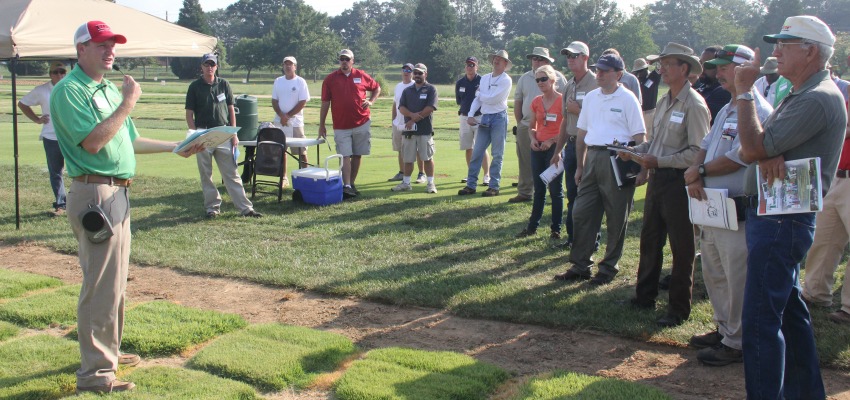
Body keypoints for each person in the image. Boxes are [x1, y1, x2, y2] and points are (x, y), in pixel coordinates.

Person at [50, 20, 202, 394]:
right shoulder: (69, 91)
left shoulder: (102, 89)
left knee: (115, 284)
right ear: (81, 49)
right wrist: (128, 103)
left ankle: (108, 352)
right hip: (94, 194)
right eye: (101, 44)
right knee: (100, 286)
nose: (110, 50)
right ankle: (96, 375)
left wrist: (176, 146)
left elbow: (129, 140)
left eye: (112, 44)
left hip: (116, 193)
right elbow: (94, 143)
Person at [734, 16, 846, 398]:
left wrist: (745, 93)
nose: (776, 51)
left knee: (761, 320)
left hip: (782, 220)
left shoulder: (817, 97)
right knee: (790, 315)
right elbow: (761, 148)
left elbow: (752, 148)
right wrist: (765, 150)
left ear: (811, 51)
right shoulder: (803, 92)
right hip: (780, 216)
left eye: (786, 43)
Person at [683, 44, 773, 367]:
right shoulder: (725, 108)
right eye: (717, 68)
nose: (718, 73)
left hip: (738, 210)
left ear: (745, 70)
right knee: (714, 272)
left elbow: (742, 156)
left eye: (725, 68)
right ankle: (725, 330)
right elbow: (705, 146)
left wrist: (701, 171)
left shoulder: (756, 109)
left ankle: (737, 341)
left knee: (737, 277)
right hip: (713, 207)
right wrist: (695, 174)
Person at [621, 42, 710, 327]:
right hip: (658, 179)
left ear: (683, 69)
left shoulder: (694, 104)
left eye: (667, 64)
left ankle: (678, 309)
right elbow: (656, 143)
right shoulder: (663, 101)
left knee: (682, 247)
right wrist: (634, 151)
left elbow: (698, 151)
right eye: (661, 64)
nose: (661, 69)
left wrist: (659, 162)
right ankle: (644, 296)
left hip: (679, 182)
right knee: (650, 240)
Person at [552, 54, 645, 286]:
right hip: (593, 156)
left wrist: (642, 167)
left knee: (616, 216)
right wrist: (581, 165)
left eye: (605, 71)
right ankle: (580, 264)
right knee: (581, 212)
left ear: (619, 74)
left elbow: (640, 137)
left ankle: (608, 267)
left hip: (619, 158)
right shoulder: (592, 97)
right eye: (598, 70)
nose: (600, 74)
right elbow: (582, 133)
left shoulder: (628, 98)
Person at [185, 54, 261, 219]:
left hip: (223, 132)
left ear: (217, 67)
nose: (209, 67)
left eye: (212, 64)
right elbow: (189, 114)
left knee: (231, 173)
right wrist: (194, 135)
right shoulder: (194, 86)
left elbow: (231, 109)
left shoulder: (224, 84)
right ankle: (212, 208)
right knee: (206, 174)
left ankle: (245, 208)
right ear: (202, 66)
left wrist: (233, 133)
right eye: (207, 64)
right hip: (203, 133)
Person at [802, 100, 850, 325]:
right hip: (836, 175)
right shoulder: (845, 98)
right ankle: (815, 293)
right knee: (824, 238)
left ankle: (848, 307)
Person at [550, 41, 597, 249]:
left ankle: (591, 241)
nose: (570, 58)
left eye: (574, 55)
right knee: (572, 194)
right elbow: (564, 121)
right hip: (570, 145)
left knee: (588, 196)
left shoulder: (596, 84)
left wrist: (580, 111)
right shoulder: (569, 85)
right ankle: (573, 238)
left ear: (585, 58)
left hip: (590, 147)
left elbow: (601, 119)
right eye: (567, 55)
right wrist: (557, 150)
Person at [319, 49, 381, 199]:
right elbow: (325, 102)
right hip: (341, 125)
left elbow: (376, 88)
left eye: (347, 59)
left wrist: (371, 101)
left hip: (362, 122)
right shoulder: (330, 79)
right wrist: (321, 124)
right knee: (345, 155)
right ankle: (346, 185)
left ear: (352, 61)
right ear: (339, 61)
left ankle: (351, 184)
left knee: (357, 154)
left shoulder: (360, 75)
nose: (344, 62)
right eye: (342, 59)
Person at [512, 47, 568, 203]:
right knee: (525, 160)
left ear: (547, 61)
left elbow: (563, 103)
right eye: (533, 58)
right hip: (528, 125)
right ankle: (525, 191)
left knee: (553, 161)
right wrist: (520, 122)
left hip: (554, 129)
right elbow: (518, 101)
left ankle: (553, 193)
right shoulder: (524, 78)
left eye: (539, 58)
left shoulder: (558, 77)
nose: (535, 61)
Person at [515, 65, 564, 239]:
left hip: (554, 149)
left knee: (556, 190)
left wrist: (552, 141)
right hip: (538, 148)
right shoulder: (536, 101)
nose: (540, 83)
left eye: (543, 79)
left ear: (552, 80)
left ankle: (556, 229)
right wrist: (534, 139)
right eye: (538, 80)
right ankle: (532, 227)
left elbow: (566, 129)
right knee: (539, 189)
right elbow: (532, 126)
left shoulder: (562, 100)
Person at [458, 50, 512, 197]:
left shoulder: (506, 80)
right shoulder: (485, 78)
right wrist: (470, 114)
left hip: (499, 117)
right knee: (477, 151)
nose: (497, 61)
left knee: (497, 153)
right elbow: (478, 100)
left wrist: (480, 95)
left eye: (500, 59)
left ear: (505, 64)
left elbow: (493, 99)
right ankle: (471, 185)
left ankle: (494, 186)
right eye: (495, 58)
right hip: (485, 117)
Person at [18, 61, 68, 217]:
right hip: (51, 136)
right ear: (50, 74)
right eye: (55, 72)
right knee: (56, 172)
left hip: (71, 137)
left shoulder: (72, 88)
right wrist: (37, 119)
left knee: (79, 170)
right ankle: (61, 204)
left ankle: (80, 202)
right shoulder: (42, 90)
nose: (59, 75)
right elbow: (22, 103)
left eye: (62, 72)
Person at [393, 63, 438, 193]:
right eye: (416, 73)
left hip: (424, 130)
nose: (417, 75)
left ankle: (430, 184)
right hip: (409, 131)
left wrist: (413, 119)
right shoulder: (408, 90)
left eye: (420, 73)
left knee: (427, 158)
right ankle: (406, 183)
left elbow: (430, 108)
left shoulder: (431, 89)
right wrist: (411, 115)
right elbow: (401, 107)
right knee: (408, 158)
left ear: (425, 74)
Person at [271, 56, 310, 184]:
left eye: (290, 64)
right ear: (283, 66)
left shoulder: (300, 82)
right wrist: (281, 115)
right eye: (286, 64)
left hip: (296, 122)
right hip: (279, 121)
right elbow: (274, 101)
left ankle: (306, 176)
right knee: (281, 150)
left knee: (301, 151)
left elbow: (302, 101)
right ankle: (283, 178)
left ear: (295, 66)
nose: (288, 66)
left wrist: (287, 116)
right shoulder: (278, 81)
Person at [455, 56, 490, 186]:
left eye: (472, 65)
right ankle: (471, 174)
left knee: (481, 147)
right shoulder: (460, 83)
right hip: (464, 117)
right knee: (468, 147)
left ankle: (487, 175)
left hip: (479, 117)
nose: (469, 67)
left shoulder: (482, 81)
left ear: (477, 67)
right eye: (468, 65)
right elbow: (459, 100)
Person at [388, 63, 424, 184]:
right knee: (400, 149)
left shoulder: (415, 85)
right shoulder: (398, 86)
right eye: (404, 69)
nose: (406, 72)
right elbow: (395, 104)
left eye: (409, 70)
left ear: (413, 73)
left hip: (410, 124)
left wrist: (412, 119)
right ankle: (402, 172)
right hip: (398, 123)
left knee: (417, 149)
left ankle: (421, 173)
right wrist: (393, 120)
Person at [694, 46, 732, 124]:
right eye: (701, 63)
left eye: (708, 65)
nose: (702, 69)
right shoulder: (702, 88)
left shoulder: (723, 91)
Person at [633, 58, 661, 140]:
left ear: (646, 68)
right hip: (639, 112)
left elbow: (660, 67)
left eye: (641, 71)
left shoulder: (653, 77)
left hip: (650, 113)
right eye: (637, 72)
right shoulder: (637, 80)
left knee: (649, 137)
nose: (639, 73)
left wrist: (654, 61)